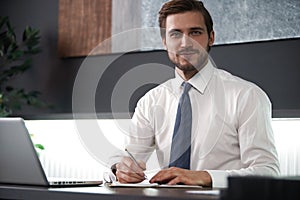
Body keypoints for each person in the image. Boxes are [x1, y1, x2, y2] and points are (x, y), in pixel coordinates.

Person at [112, 0, 280, 188]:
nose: (185, 43)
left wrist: (205, 177)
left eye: (195, 32)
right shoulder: (150, 102)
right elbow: (127, 161)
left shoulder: (246, 96)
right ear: (165, 41)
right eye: (176, 34)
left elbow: (267, 171)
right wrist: (122, 170)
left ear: (211, 37)